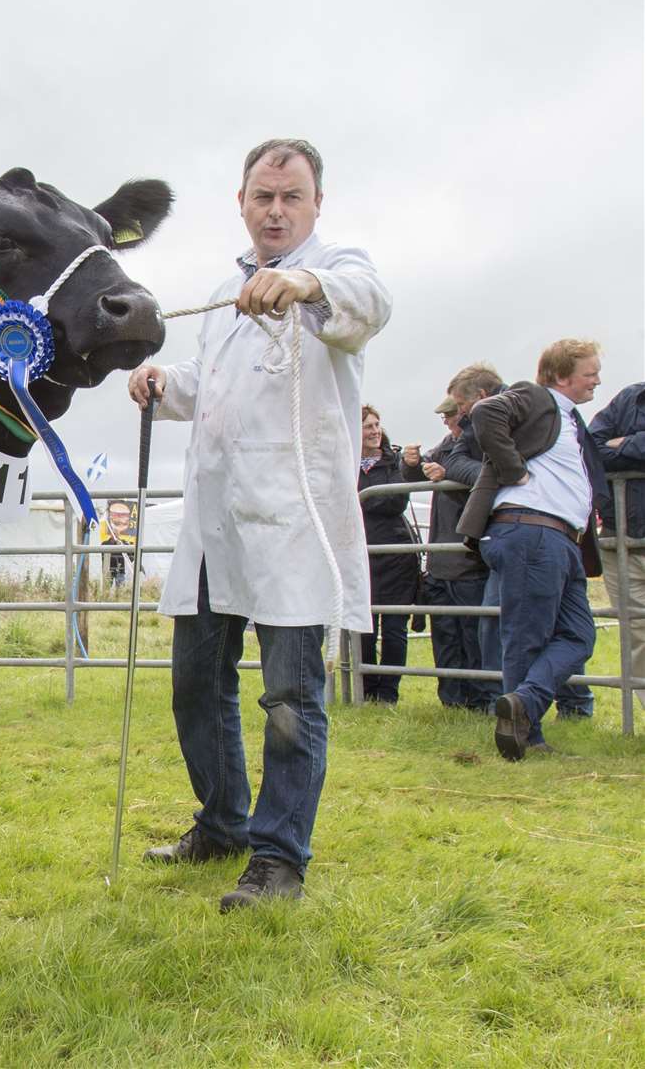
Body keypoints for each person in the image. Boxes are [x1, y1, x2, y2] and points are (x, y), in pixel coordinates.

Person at [127, 138, 391, 910]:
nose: (276, 209)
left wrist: (303, 282)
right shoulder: (225, 290)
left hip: (289, 525)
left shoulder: (337, 267)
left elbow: (367, 302)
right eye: (263, 196)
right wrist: (160, 382)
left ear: (316, 204)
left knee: (288, 698)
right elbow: (211, 384)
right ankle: (222, 823)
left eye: (292, 197)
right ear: (241, 202)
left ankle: (279, 859)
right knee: (195, 687)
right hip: (217, 528)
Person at [457, 340, 606, 760]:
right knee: (527, 638)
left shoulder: (569, 419)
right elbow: (486, 412)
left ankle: (524, 701)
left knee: (579, 634)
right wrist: (513, 470)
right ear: (562, 376)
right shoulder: (539, 397)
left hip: (559, 538)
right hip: (531, 531)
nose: (597, 379)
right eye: (590, 372)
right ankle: (525, 737)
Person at [403, 396, 496, 711]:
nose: (446, 422)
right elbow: (411, 479)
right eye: (444, 417)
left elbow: (489, 482)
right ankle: (452, 699)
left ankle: (481, 698)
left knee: (474, 634)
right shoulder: (444, 448)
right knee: (445, 635)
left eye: (451, 416)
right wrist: (411, 464)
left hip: (470, 560)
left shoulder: (482, 449)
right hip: (442, 562)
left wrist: (450, 476)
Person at [356, 405, 419, 702]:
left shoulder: (393, 462)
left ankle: (388, 692)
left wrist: (360, 502)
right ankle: (367, 689)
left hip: (395, 556)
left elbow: (397, 501)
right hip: (361, 556)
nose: (374, 431)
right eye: (367, 426)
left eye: (376, 424)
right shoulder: (345, 463)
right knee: (364, 626)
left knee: (394, 626)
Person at [590, 380, 645, 696]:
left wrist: (624, 444)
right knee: (638, 634)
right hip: (622, 538)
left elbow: (608, 449)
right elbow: (594, 450)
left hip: (628, 534)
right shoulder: (629, 398)